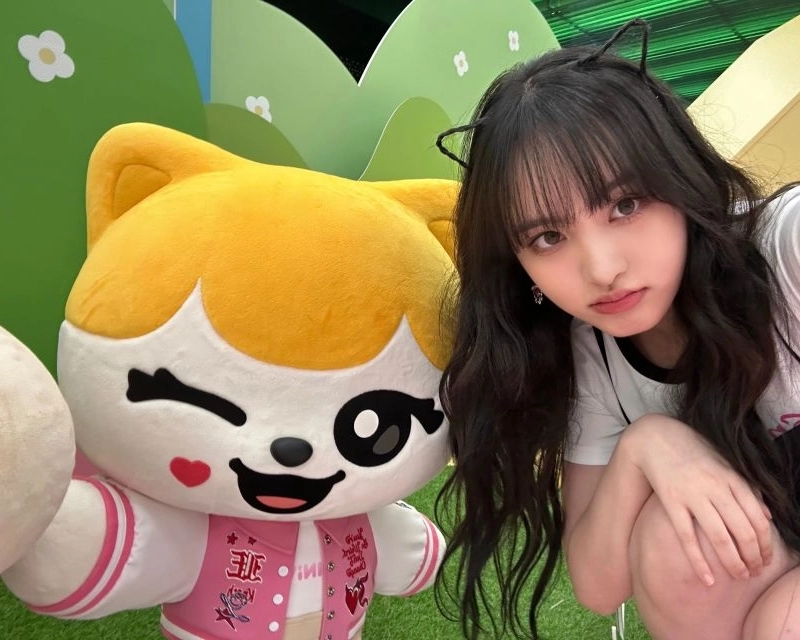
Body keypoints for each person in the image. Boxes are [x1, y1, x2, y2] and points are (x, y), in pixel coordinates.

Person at [433, 18, 800, 640]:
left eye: (625, 204)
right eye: (547, 236)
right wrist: (646, 444)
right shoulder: (594, 353)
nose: (601, 269)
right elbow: (597, 584)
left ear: (679, 177)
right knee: (677, 538)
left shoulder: (785, 248)